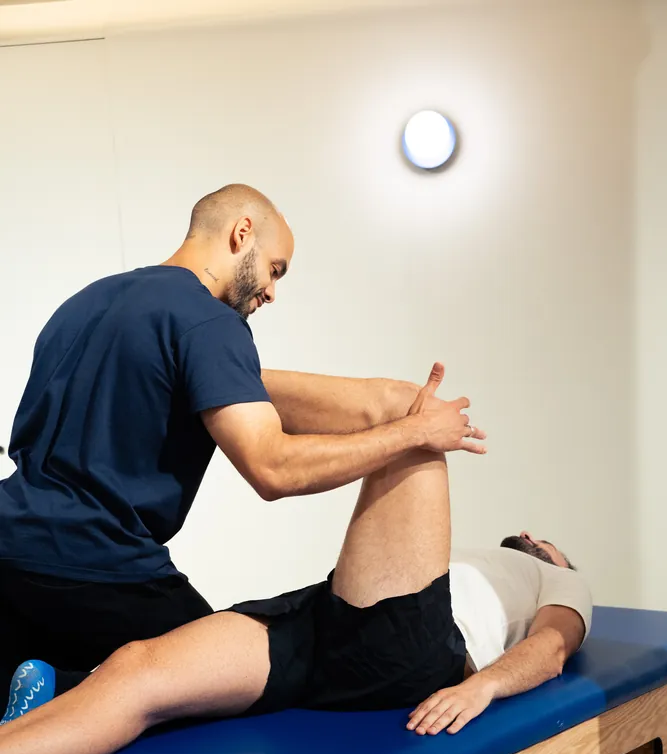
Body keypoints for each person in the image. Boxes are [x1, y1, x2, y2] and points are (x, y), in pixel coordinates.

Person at [0, 368, 591, 754]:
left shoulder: (560, 581)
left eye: (548, 544)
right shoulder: (459, 555)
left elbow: (551, 649)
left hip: (410, 648)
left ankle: (199, 375)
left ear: (554, 558)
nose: (536, 538)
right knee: (137, 666)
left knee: (408, 408)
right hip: (321, 618)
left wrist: (481, 688)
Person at [0, 184, 480, 702]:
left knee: (33, 701)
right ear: (241, 232)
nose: (272, 292)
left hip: (10, 552)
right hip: (102, 569)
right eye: (276, 269)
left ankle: (54, 687)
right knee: (240, 683)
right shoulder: (208, 321)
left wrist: (385, 402)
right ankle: (70, 688)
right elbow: (274, 469)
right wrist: (417, 433)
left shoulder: (83, 305)